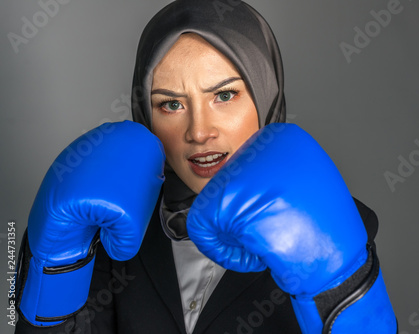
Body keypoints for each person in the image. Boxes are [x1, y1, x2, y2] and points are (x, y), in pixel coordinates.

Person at [14, 0, 397, 333]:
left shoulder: (336, 222)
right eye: (171, 104)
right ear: (146, 115)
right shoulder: (109, 227)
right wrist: (55, 263)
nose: (198, 132)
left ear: (266, 95)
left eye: (224, 95)